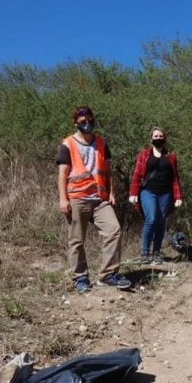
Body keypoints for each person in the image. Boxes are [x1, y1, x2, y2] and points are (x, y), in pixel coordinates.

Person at [57, 106, 131, 293]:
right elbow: (62, 174)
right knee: (77, 240)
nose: (87, 123)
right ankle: (80, 278)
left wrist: (111, 192)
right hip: (77, 197)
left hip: (99, 198)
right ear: (76, 123)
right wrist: (63, 199)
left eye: (89, 120)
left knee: (113, 230)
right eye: (82, 122)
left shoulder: (101, 143)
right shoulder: (68, 144)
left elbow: (107, 171)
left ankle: (107, 275)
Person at [128, 126, 183, 265]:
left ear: (164, 138)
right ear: (151, 138)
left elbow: (175, 177)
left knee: (161, 221)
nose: (158, 138)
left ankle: (156, 252)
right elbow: (137, 174)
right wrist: (133, 193)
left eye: (161, 136)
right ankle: (145, 252)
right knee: (151, 219)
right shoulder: (144, 154)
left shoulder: (170, 155)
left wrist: (178, 196)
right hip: (148, 191)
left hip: (165, 193)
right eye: (156, 136)